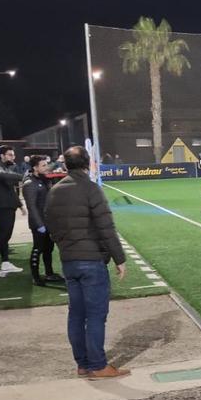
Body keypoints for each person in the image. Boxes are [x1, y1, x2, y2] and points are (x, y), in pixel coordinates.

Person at [44, 146, 129, 380]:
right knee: (95, 315)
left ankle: (82, 364)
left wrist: (64, 245)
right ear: (87, 163)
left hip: (69, 260)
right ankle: (98, 365)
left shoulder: (55, 191)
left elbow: (50, 224)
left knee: (76, 314)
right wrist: (119, 258)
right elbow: (105, 227)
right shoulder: (91, 189)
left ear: (65, 165)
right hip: (91, 261)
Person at [22, 155, 62, 285]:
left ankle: (49, 273)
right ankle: (35, 277)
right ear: (35, 168)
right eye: (43, 165)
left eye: (46, 165)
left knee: (48, 248)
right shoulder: (30, 183)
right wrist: (39, 225)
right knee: (37, 249)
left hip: (47, 221)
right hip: (38, 223)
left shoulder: (43, 180)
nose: (46, 167)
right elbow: (31, 207)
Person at [0, 145, 26, 276]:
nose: (12, 157)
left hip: (9, 205)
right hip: (2, 206)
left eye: (13, 155)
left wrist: (20, 205)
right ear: (2, 155)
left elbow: (10, 189)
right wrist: (22, 177)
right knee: (3, 234)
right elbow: (1, 174)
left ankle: (5, 262)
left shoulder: (6, 167)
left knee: (6, 235)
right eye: (10, 155)